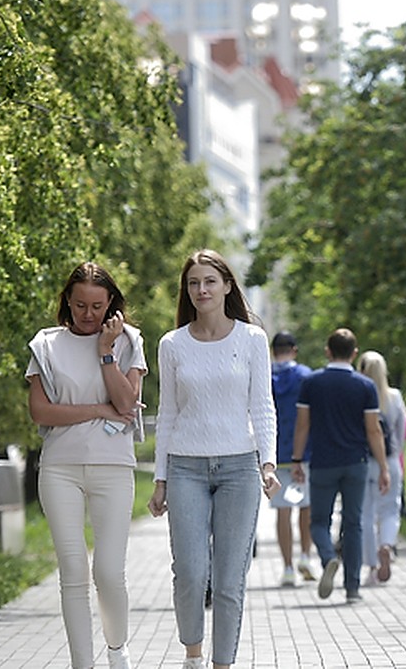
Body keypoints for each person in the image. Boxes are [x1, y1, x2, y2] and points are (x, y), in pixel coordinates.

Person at [146, 249, 280, 669]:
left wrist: (268, 463)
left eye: (209, 281)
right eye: (193, 283)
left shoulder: (253, 339)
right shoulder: (172, 344)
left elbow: (263, 406)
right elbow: (167, 413)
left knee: (228, 580)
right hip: (186, 467)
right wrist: (161, 478)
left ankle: (223, 664)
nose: (201, 290)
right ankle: (193, 654)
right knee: (189, 571)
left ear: (226, 286)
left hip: (240, 468)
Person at [26, 262, 146, 669]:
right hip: (60, 468)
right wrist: (98, 409)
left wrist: (105, 353)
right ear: (67, 302)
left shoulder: (130, 341)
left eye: (97, 305)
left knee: (109, 572)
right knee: (73, 569)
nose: (89, 314)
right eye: (80, 305)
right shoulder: (45, 344)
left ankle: (117, 650)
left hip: (113, 467)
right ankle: (83, 664)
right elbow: (41, 412)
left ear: (110, 302)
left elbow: (128, 405)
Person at [290, 328, 390, 604]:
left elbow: (303, 425)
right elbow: (373, 431)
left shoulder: (311, 383)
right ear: (354, 353)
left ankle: (328, 557)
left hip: (322, 462)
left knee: (319, 521)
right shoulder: (365, 386)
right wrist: (383, 467)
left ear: (327, 351)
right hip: (356, 463)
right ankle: (353, 588)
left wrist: (297, 459)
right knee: (353, 523)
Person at [356, 350, 406, 585]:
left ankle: (372, 567)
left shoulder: (357, 395)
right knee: (390, 510)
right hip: (390, 460)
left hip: (364, 462)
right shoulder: (394, 397)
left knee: (366, 515)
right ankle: (386, 544)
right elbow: (400, 433)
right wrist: (395, 458)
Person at [269, 331, 316, 587]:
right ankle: (306, 556)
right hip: (304, 451)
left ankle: (287, 567)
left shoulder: (266, 376)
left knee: (283, 510)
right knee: (305, 506)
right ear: (294, 350)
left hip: (276, 453)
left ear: (273, 350)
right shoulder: (306, 376)